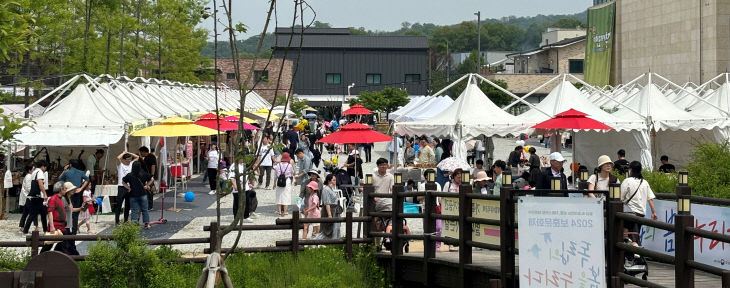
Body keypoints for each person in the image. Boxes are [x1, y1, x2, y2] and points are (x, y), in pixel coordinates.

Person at [621, 161, 658, 246]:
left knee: (630, 236)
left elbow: (621, 197)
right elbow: (650, 199)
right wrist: (653, 212)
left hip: (629, 212)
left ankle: (636, 252)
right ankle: (634, 253)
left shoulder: (627, 181)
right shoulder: (644, 182)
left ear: (631, 170)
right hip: (641, 214)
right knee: (634, 234)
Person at [41, 182, 76, 254]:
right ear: (61, 189)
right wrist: (52, 226)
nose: (66, 190)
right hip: (56, 225)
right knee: (48, 245)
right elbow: (50, 212)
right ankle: (39, 259)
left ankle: (74, 257)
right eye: (64, 188)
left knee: (66, 243)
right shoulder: (53, 199)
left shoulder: (59, 198)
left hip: (61, 226)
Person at [58, 159, 90, 235]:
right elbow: (87, 179)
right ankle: (74, 231)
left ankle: (67, 229)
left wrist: (64, 170)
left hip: (68, 193)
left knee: (67, 211)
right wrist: (81, 188)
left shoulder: (66, 173)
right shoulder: (81, 172)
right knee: (75, 214)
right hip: (77, 192)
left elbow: (59, 179)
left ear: (70, 165)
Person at [122, 162, 153, 229]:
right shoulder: (143, 173)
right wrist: (147, 185)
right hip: (143, 194)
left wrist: (128, 188)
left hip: (133, 195)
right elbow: (152, 179)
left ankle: (134, 225)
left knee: (134, 210)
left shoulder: (130, 175)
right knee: (145, 210)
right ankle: (147, 224)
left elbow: (123, 182)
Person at [23, 161, 49, 234]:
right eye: (45, 167)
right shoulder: (40, 172)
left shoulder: (34, 171)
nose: (45, 169)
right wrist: (45, 193)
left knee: (43, 213)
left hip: (34, 195)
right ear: (43, 166)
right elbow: (40, 183)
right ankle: (26, 230)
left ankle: (45, 229)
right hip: (38, 196)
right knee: (33, 214)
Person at [115, 152, 139, 225]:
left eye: (130, 159)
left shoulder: (131, 164)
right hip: (121, 187)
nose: (129, 160)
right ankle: (117, 220)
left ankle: (125, 220)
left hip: (129, 187)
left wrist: (129, 153)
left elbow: (137, 157)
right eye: (128, 159)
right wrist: (123, 153)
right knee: (119, 204)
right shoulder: (120, 165)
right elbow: (118, 158)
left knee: (127, 205)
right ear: (124, 160)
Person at [317, 174, 341, 239]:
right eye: (333, 180)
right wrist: (329, 215)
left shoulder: (331, 189)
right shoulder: (326, 189)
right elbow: (327, 203)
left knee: (335, 228)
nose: (335, 182)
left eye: (335, 180)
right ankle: (316, 242)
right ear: (329, 181)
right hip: (330, 211)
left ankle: (335, 241)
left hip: (335, 210)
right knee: (327, 229)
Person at [274, 152, 294, 216]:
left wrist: (274, 183)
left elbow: (275, 175)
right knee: (286, 195)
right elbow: (292, 173)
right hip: (287, 180)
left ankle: (279, 212)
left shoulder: (278, 165)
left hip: (279, 181)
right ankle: (285, 211)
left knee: (279, 196)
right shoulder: (289, 165)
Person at [18, 165, 35, 233]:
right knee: (31, 212)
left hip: (28, 197)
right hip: (28, 197)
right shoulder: (29, 177)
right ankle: (25, 227)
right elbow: (28, 188)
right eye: (33, 169)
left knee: (26, 212)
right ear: (29, 170)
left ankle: (22, 226)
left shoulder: (30, 176)